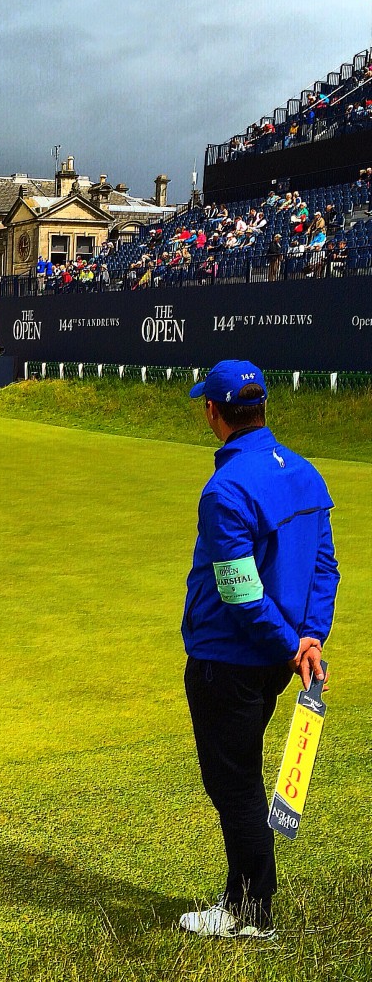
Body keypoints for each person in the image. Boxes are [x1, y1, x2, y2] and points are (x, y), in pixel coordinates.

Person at [178, 360, 339, 940]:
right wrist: (308, 639)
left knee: (234, 786)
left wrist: (292, 646)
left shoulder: (225, 490)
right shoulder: (304, 472)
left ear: (213, 413)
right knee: (240, 781)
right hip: (272, 658)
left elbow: (240, 593)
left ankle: (249, 913)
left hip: (229, 660)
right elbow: (325, 568)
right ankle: (243, 901)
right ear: (263, 408)